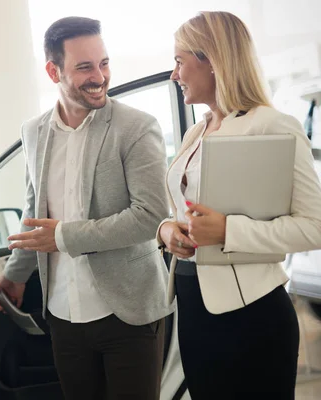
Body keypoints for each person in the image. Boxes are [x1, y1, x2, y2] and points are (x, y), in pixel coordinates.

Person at [0, 16, 174, 400]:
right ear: (52, 70)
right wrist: (16, 273)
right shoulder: (34, 132)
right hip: (63, 314)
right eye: (85, 66)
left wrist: (63, 236)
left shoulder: (136, 127)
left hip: (128, 312)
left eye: (104, 63)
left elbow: (150, 215)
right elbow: (33, 207)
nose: (100, 76)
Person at [158, 11, 321, 399]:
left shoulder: (272, 124)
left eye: (179, 61)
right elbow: (181, 211)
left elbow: (314, 226)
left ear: (211, 60)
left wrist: (229, 230)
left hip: (251, 314)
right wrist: (166, 230)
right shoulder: (197, 130)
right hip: (193, 306)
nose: (173, 74)